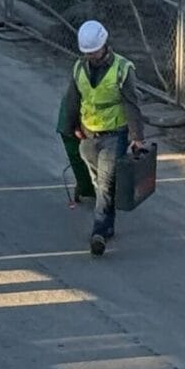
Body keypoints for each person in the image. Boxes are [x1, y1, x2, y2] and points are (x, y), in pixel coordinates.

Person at [63, 20, 137, 255]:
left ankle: (99, 232)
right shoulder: (79, 68)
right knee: (99, 182)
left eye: (94, 51)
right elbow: (73, 98)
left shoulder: (122, 68)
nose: (91, 56)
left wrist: (137, 136)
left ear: (104, 44)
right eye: (87, 52)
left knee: (105, 183)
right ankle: (108, 224)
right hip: (88, 134)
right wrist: (72, 126)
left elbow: (132, 103)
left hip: (114, 135)